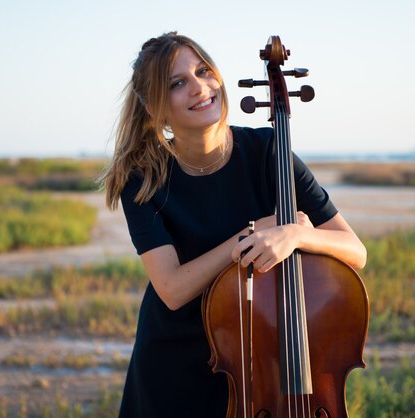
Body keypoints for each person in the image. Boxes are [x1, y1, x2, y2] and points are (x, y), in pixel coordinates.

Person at [100, 32, 367, 418]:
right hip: (175, 367)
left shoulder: (269, 151)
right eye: (177, 83)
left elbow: (355, 250)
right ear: (155, 109)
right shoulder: (142, 178)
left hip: (263, 363)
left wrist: (295, 233)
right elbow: (172, 289)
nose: (199, 87)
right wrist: (250, 234)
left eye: (203, 71)